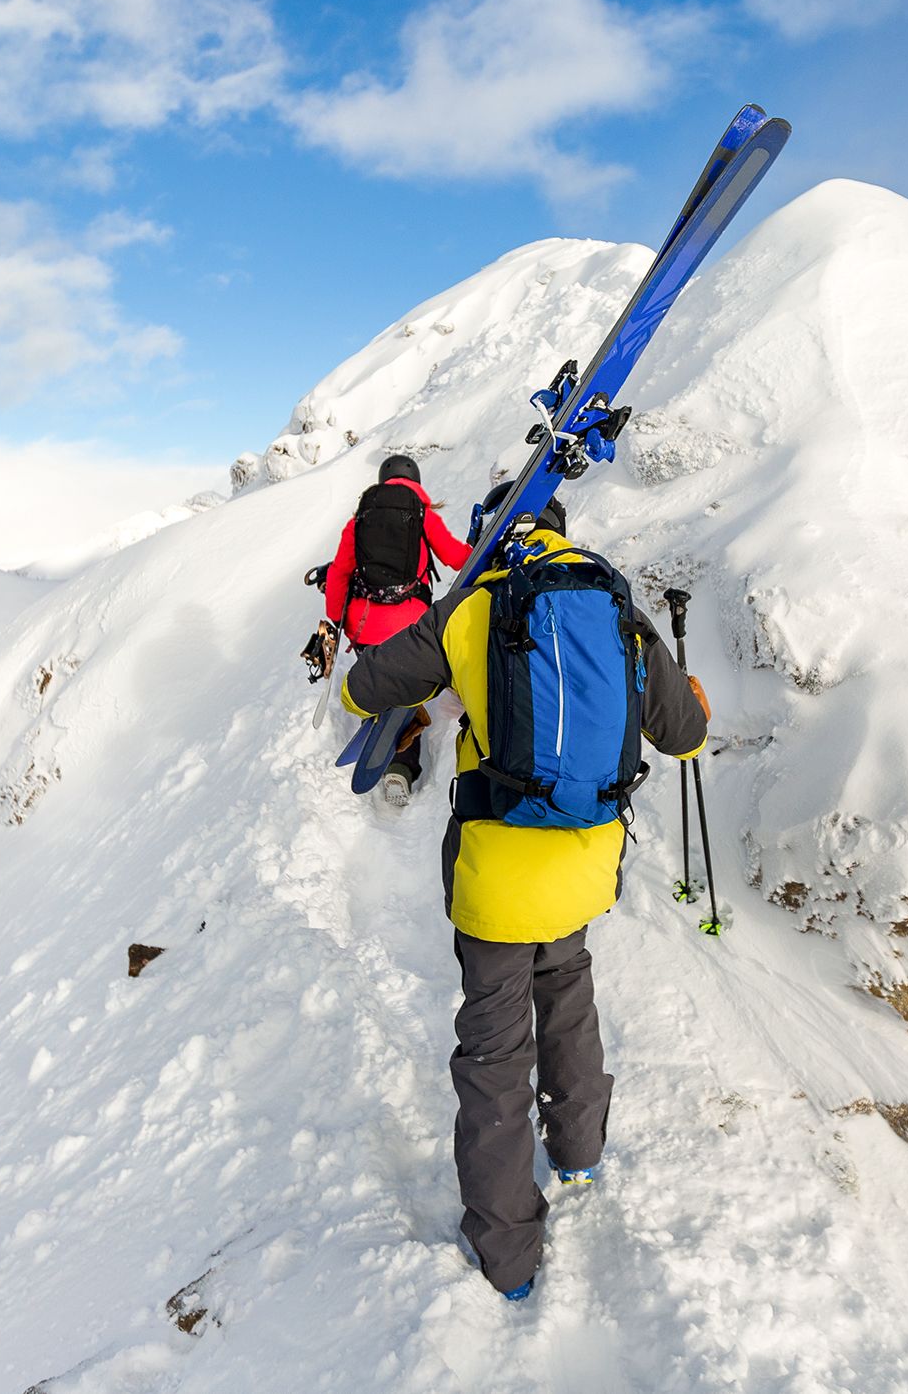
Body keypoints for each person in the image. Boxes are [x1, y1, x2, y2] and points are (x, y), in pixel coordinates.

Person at [341, 485, 709, 1300]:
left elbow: (364, 688)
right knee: (569, 991)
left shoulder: (472, 607)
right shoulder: (613, 598)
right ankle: (578, 1155)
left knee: (495, 1053)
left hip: (495, 878)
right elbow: (684, 733)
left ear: (489, 535)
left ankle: (508, 1257)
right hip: (585, 868)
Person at [319, 453, 473, 802]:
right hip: (409, 627)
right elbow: (454, 556)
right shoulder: (421, 512)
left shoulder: (360, 518)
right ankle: (399, 770)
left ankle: (373, 720)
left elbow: (339, 573)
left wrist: (337, 620)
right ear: (415, 480)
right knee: (405, 692)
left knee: (375, 685)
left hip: (363, 625)